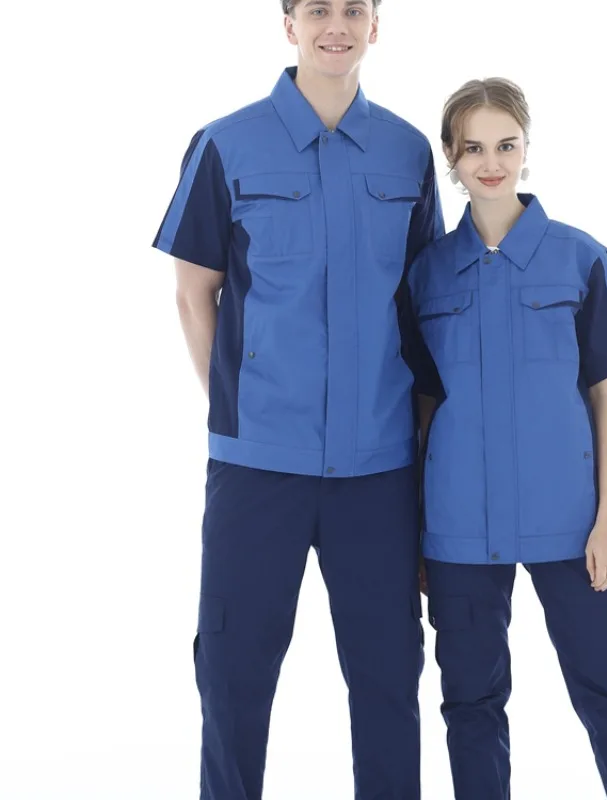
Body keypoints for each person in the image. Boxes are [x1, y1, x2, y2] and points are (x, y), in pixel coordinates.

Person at [151, 1, 443, 798]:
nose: (335, 25)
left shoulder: (409, 152)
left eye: (354, 9)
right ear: (290, 24)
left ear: (376, 24)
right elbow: (194, 295)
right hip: (256, 468)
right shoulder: (225, 143)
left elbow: (423, 311)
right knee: (233, 677)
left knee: (389, 678)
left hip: (380, 470)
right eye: (318, 8)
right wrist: (241, 410)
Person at [409, 78, 607, 799]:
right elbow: (422, 412)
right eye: (473, 148)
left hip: (570, 523)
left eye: (506, 145)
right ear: (451, 157)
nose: (491, 163)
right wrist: (418, 532)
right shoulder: (426, 274)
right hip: (457, 527)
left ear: (526, 147)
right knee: (470, 703)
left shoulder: (581, 258)